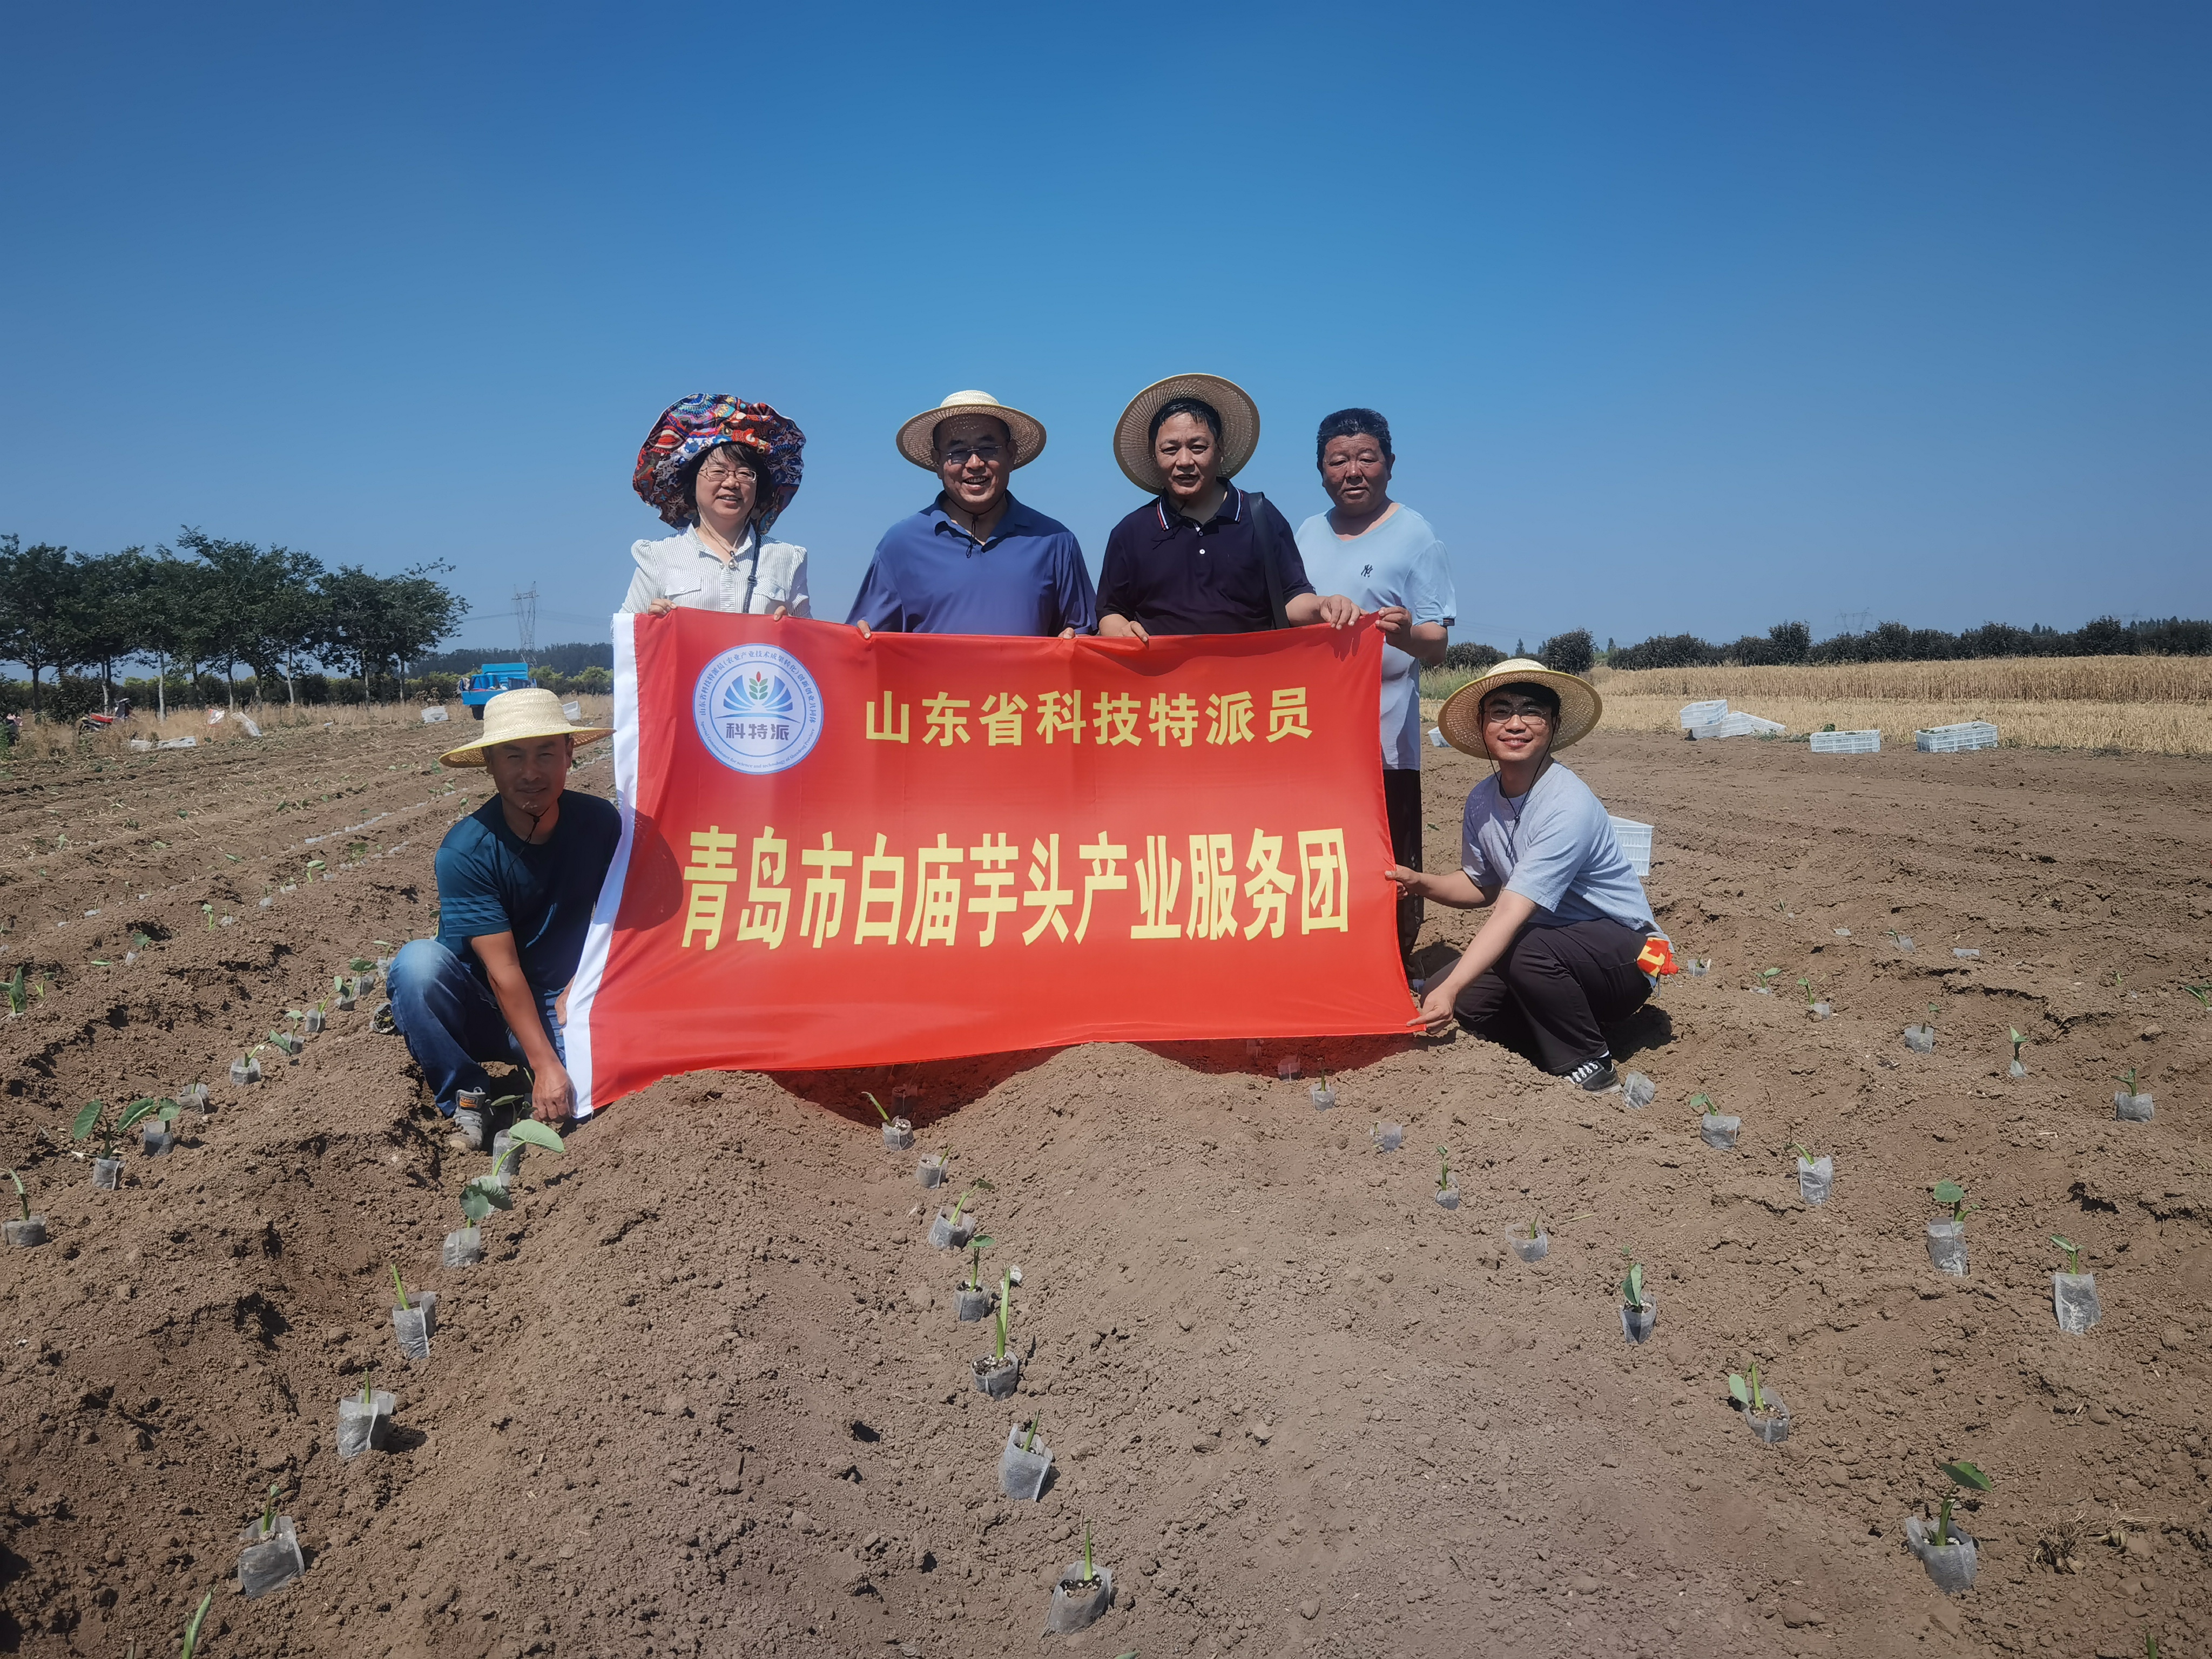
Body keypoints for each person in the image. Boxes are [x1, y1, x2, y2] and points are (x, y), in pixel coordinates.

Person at [1388, 658, 1669, 1092]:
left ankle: (1592, 1064)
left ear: (1553, 725)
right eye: (1501, 711)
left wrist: (1451, 985)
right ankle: (1554, 1040)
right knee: (1468, 1002)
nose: (1515, 724)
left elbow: (1508, 911)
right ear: (1482, 724)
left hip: (1625, 956)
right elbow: (1482, 885)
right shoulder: (1482, 800)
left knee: (1517, 949)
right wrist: (1420, 883)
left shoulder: (1567, 803)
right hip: (1551, 953)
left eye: (1532, 711)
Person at [389, 689, 621, 1139]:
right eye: (513, 757)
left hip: (563, 1001)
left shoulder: (599, 823)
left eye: (546, 754)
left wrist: (584, 981)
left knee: (599, 1094)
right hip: (483, 1005)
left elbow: (627, 911)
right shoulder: (466, 851)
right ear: (490, 764)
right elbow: (503, 971)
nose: (531, 773)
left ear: (569, 754)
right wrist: (546, 1065)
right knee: (417, 967)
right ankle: (466, 1091)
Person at [1293, 409, 1455, 967]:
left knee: (1388, 851)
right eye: (1338, 461)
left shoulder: (1416, 535)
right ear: (1321, 470)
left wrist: (1406, 634)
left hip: (1385, 734)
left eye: (1366, 458)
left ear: (1389, 464)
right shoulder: (1306, 533)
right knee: (1317, 848)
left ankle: (1392, 962)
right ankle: (1322, 958)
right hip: (1312, 733)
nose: (1353, 471)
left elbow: (1437, 642)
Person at [1096, 373, 1358, 640]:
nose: (1184, 461)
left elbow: (1292, 598)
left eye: (1198, 447)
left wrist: (1324, 606)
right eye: (1170, 449)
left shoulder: (1260, 516)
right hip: (1162, 669)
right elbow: (1110, 611)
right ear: (1154, 456)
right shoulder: (1131, 533)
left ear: (1219, 450)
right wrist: (1122, 631)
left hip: (1253, 668)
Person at [848, 391, 1096, 638]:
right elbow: (865, 641)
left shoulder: (1055, 541)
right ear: (937, 462)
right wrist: (859, 639)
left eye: (988, 448)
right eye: (957, 451)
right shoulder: (901, 544)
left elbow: (1086, 636)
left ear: (1011, 454)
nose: (975, 463)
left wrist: (1078, 641)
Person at [624, 393, 809, 617]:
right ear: (692, 483)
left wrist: (793, 628)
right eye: (718, 471)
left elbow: (809, 636)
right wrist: (651, 621)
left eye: (745, 474)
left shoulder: (788, 558)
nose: (731, 483)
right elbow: (624, 631)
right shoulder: (658, 556)